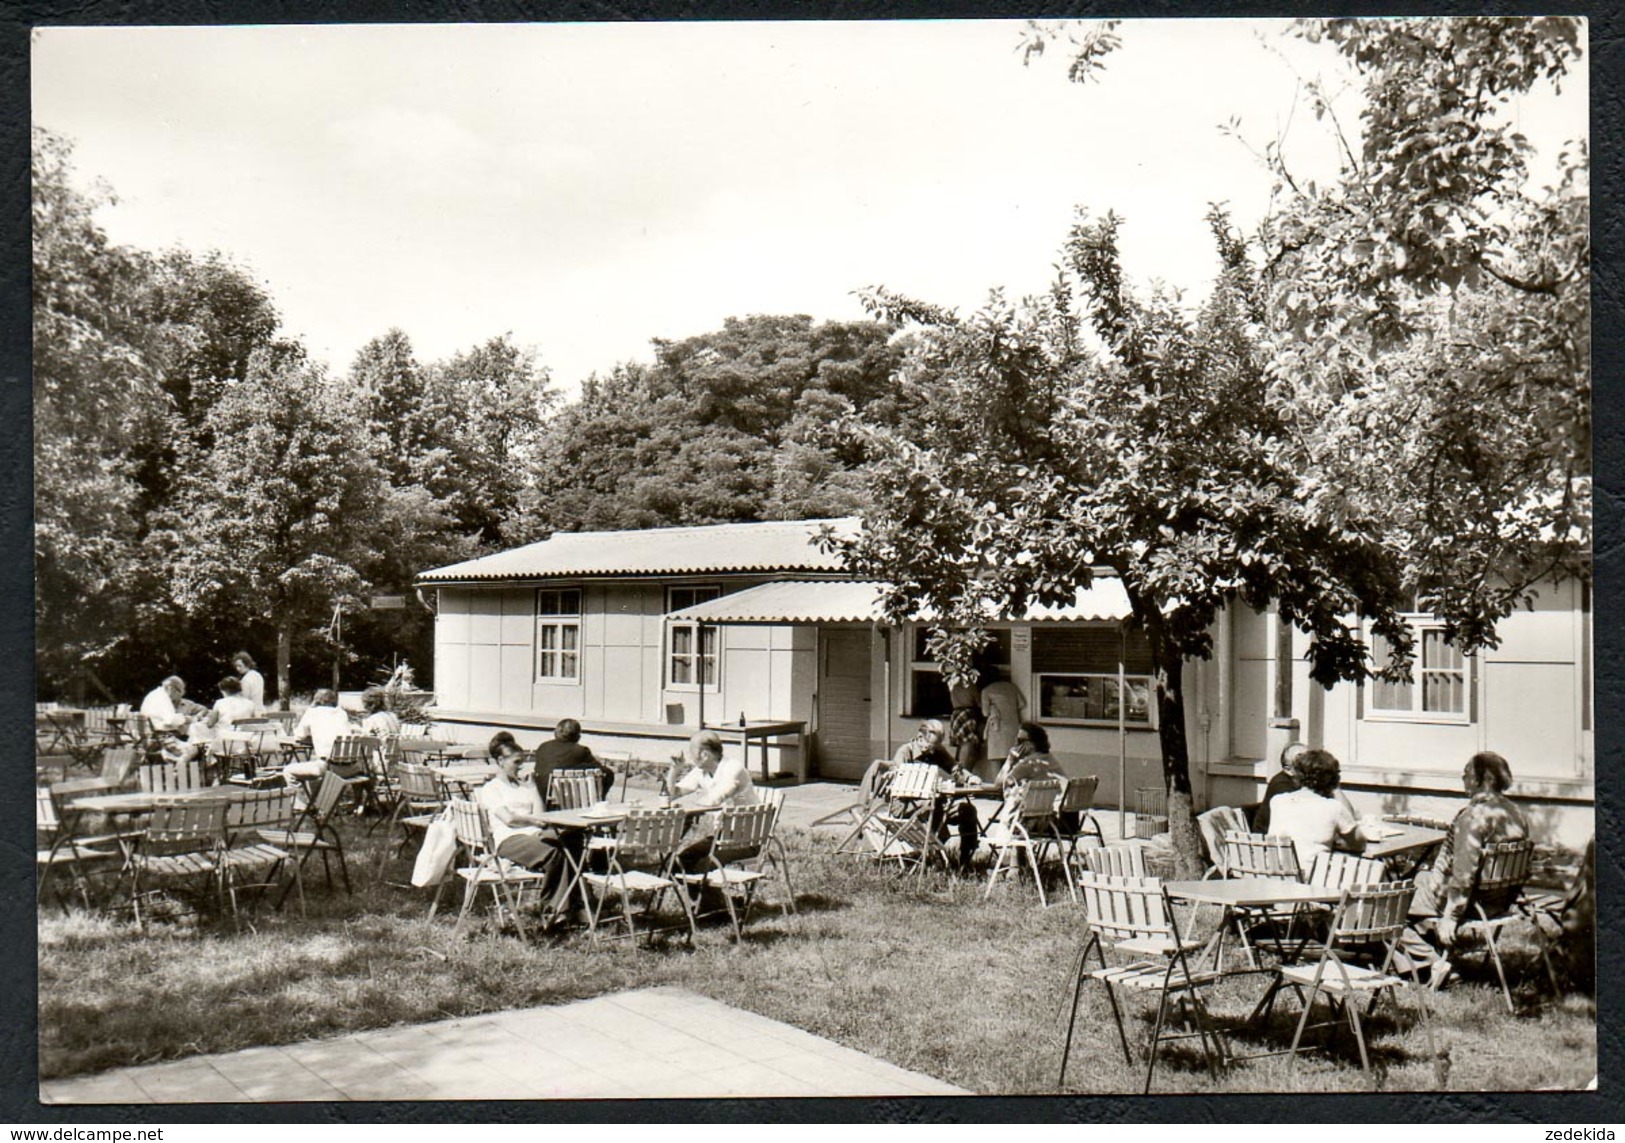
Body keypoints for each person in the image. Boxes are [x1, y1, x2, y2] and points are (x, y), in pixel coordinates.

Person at [1398, 751, 1530, 987]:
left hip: (1470, 901)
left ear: (1485, 779)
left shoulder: (1473, 817)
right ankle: (1433, 948)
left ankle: (1432, 964)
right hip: (1498, 900)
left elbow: (1463, 875)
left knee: (1392, 901)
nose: (1462, 778)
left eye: (1467, 773)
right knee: (1418, 878)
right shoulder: (1515, 813)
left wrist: (1451, 916)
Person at [475, 736, 571, 913]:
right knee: (553, 854)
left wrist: (533, 787)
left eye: (523, 762)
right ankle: (554, 911)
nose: (521, 767)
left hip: (534, 834)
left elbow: (541, 815)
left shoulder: (525, 786)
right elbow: (509, 820)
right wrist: (533, 821)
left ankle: (580, 906)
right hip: (509, 839)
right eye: (517, 762)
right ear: (501, 761)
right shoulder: (492, 788)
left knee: (573, 843)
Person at [890, 718, 981, 872]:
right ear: (920, 738)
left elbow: (954, 769)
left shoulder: (936, 750)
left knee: (967, 810)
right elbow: (900, 782)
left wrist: (969, 777)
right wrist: (927, 787)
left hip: (934, 804)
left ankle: (965, 861)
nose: (934, 751)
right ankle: (937, 858)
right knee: (933, 806)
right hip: (906, 806)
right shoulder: (905, 752)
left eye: (937, 746)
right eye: (931, 746)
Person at [1263, 748, 1366, 867]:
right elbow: (1359, 844)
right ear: (1333, 779)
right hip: (1312, 878)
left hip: (1277, 874)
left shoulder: (1278, 801)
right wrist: (1336, 788)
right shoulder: (1333, 807)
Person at [533, 718, 615, 804]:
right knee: (607, 773)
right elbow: (600, 770)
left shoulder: (543, 747)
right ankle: (598, 802)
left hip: (542, 793)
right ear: (578, 737)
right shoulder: (580, 751)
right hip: (568, 797)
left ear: (557, 732)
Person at [284, 688, 354, 785]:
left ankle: (296, 799)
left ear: (316, 700)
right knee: (315, 770)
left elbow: (299, 735)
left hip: (329, 767)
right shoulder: (342, 713)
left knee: (288, 770)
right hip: (351, 767)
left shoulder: (312, 712)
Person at [1252, 741, 1308, 833]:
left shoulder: (1305, 782)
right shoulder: (1281, 785)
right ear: (1288, 768)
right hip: (1272, 841)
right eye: (1300, 759)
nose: (1308, 763)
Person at [979, 673, 1027, 769]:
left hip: (997, 728)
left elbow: (985, 712)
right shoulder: (1012, 687)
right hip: (1013, 725)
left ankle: (997, 782)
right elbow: (1022, 704)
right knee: (1012, 757)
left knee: (995, 758)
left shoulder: (986, 690)